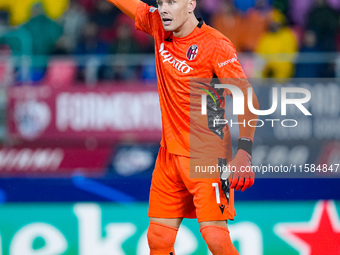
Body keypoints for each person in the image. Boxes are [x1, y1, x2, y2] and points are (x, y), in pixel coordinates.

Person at [106, 0, 259, 254]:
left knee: (216, 239)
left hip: (207, 154)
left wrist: (244, 151)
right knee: (157, 238)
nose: (164, 8)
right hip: (169, 154)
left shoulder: (215, 44)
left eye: (172, 2)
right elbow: (131, 4)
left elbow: (245, 97)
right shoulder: (159, 25)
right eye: (161, 2)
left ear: (190, 4)